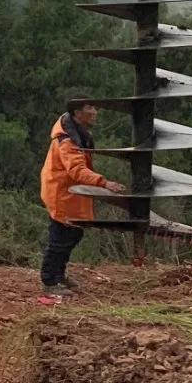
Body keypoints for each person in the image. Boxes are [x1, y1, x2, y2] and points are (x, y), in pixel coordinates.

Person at [39, 97, 125, 294]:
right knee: (60, 237)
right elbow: (76, 170)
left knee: (75, 233)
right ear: (77, 112)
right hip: (61, 193)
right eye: (90, 107)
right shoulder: (67, 140)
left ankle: (58, 274)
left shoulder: (78, 132)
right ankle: (49, 282)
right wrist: (103, 183)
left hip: (72, 192)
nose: (95, 112)